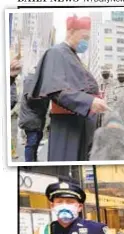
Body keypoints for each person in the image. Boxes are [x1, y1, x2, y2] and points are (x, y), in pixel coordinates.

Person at [30, 15, 109, 161]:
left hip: (82, 123)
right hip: (68, 124)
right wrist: (89, 102)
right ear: (70, 32)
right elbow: (57, 90)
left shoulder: (74, 56)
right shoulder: (56, 52)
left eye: (88, 38)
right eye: (84, 37)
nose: (86, 42)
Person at [18, 73, 49, 162]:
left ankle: (33, 161)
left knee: (36, 141)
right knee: (32, 142)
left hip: (36, 118)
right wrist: (45, 97)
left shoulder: (36, 81)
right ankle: (29, 163)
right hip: (31, 119)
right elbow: (31, 99)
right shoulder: (31, 81)